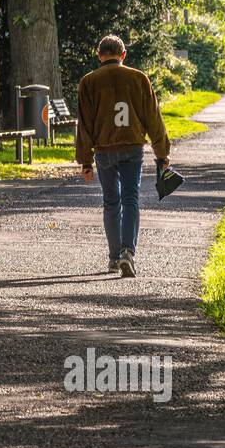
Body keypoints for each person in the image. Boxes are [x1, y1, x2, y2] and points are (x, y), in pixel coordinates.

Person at [74, 35, 170, 278]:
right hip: (132, 147)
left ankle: (114, 258)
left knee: (110, 202)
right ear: (123, 55)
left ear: (99, 55)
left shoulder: (89, 82)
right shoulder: (139, 79)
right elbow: (153, 118)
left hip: (104, 149)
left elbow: (84, 125)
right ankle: (129, 252)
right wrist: (161, 154)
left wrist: (85, 160)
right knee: (131, 199)